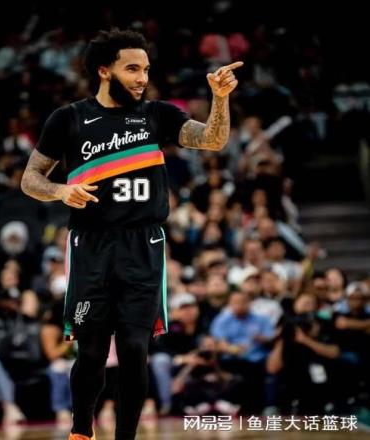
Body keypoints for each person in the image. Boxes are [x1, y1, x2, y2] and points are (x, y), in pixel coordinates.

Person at [21, 28, 242, 440]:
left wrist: (220, 98)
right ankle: (81, 432)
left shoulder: (157, 114)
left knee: (135, 350)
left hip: (144, 244)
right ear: (104, 71)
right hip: (90, 244)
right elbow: (30, 178)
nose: (143, 78)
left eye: (146, 69)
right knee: (90, 352)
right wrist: (60, 191)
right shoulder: (68, 119)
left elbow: (213, 140)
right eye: (132, 69)